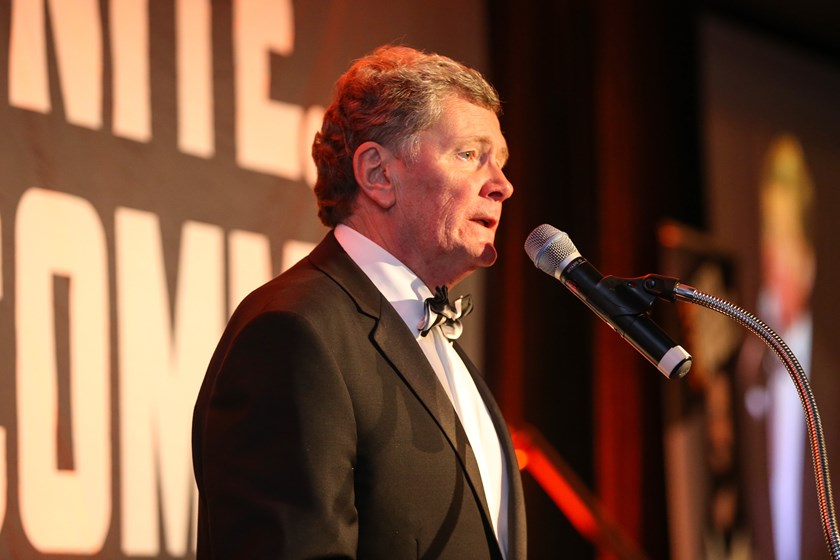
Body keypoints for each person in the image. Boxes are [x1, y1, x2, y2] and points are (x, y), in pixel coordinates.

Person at [192, 45, 526, 559]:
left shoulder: (434, 342)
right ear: (378, 174)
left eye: (499, 162)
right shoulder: (293, 332)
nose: (501, 185)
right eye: (469, 154)